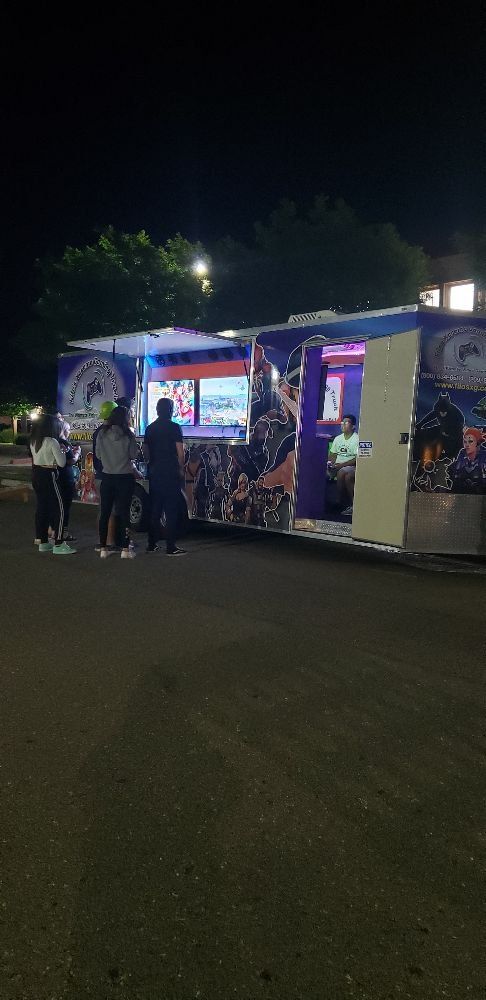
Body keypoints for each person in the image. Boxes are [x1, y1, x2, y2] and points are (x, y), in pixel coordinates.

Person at [143, 397, 187, 556]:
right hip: (170, 472)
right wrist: (181, 469)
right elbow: (180, 452)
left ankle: (151, 544)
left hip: (155, 472)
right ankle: (171, 547)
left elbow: (145, 451)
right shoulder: (175, 427)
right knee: (171, 510)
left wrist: (151, 463)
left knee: (155, 509)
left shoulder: (150, 428)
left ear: (157, 410)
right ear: (171, 410)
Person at [95, 406, 139, 559]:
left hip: (107, 477)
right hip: (125, 478)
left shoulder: (102, 433)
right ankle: (125, 549)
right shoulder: (129, 435)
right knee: (124, 513)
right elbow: (133, 455)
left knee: (105, 513)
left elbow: (98, 455)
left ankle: (103, 548)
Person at [30, 413, 76, 555]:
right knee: (59, 508)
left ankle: (43, 541)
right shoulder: (52, 441)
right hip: (49, 474)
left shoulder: (34, 440)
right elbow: (61, 463)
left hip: (36, 473)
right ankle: (59, 543)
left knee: (42, 507)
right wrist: (64, 451)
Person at [93, 400, 121, 549]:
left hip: (99, 475)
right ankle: (109, 543)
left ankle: (101, 541)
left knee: (103, 510)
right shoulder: (112, 433)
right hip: (109, 475)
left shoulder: (98, 432)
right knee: (111, 511)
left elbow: (97, 455)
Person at [327, 414, 359, 516]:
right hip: (337, 466)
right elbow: (332, 455)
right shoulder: (338, 438)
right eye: (342, 422)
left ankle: (340, 502)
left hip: (351, 466)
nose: (343, 425)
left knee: (343, 473)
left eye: (346, 423)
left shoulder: (357, 439)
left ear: (353, 426)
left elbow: (357, 459)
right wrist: (331, 463)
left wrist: (341, 465)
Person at [58, 419, 81, 541]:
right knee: (64, 507)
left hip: (57, 477)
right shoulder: (63, 443)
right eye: (68, 429)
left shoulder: (55, 442)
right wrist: (77, 453)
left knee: (57, 506)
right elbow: (70, 460)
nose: (70, 432)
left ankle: (53, 530)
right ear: (64, 430)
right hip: (65, 478)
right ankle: (62, 533)